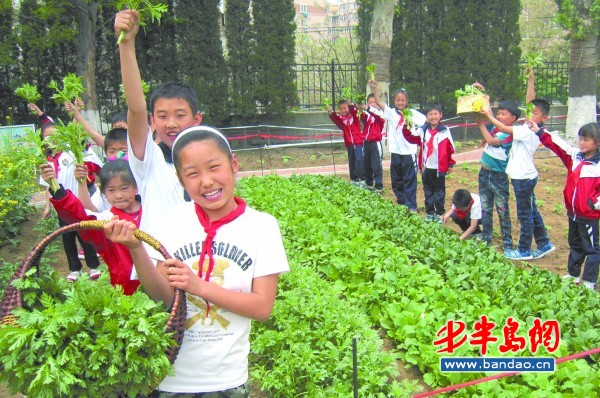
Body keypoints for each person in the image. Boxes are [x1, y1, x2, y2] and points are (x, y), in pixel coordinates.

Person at [104, 126, 289, 396]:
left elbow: (262, 308)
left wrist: (198, 286)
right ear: (180, 180)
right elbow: (162, 298)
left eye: (214, 167)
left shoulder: (262, 226)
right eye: (192, 174)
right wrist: (136, 249)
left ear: (233, 164)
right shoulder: (173, 219)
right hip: (169, 376)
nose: (206, 181)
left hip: (225, 380)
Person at [115, 9, 202, 231]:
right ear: (152, 120)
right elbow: (135, 108)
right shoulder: (149, 160)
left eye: (180, 115)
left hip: (193, 262)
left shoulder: (207, 162)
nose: (171, 123)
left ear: (196, 119)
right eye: (162, 116)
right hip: (155, 262)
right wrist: (126, 43)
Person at [40, 160, 142, 295]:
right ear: (104, 193)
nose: (118, 195)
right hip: (127, 293)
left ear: (136, 187)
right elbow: (81, 218)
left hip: (163, 286)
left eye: (124, 188)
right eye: (111, 190)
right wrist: (57, 189)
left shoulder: (153, 212)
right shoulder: (107, 221)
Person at [481, 99, 555, 260]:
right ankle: (543, 243)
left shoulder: (527, 131)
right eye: (530, 112)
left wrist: (487, 114)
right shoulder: (530, 128)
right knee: (532, 211)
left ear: (544, 118)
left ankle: (524, 250)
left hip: (523, 178)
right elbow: (530, 99)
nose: (530, 115)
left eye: (535, 113)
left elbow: (501, 127)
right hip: (523, 177)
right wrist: (530, 78)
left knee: (525, 215)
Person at [531, 122, 600, 290]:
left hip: (589, 216)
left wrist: (594, 203)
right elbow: (558, 145)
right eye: (580, 139)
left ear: (597, 142)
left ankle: (589, 282)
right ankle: (574, 275)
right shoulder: (575, 157)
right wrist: (540, 131)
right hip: (573, 213)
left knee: (591, 249)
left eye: (586, 139)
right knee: (575, 244)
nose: (581, 142)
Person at [39, 120, 104, 281]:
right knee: (67, 238)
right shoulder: (46, 160)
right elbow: (48, 187)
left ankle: (93, 266)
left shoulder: (72, 152)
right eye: (46, 137)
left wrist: (75, 113)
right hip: (61, 206)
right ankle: (75, 268)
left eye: (54, 136)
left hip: (77, 203)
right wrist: (48, 206)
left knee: (85, 235)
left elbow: (75, 131)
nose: (50, 141)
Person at [368, 79, 426, 211]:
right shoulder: (391, 113)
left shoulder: (412, 113)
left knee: (410, 179)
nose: (400, 103)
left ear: (406, 101)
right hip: (395, 152)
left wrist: (418, 134)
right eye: (398, 100)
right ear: (395, 101)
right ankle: (401, 202)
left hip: (408, 152)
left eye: (403, 100)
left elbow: (426, 121)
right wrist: (375, 89)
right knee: (397, 179)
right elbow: (378, 103)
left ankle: (411, 205)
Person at [475, 98, 519, 252]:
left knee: (502, 209)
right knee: (485, 207)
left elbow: (491, 141)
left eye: (503, 114)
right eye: (498, 114)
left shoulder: (508, 134)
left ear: (513, 118)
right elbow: (490, 115)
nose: (499, 116)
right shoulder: (497, 128)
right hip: (484, 173)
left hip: (498, 177)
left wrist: (481, 124)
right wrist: (482, 95)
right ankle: (486, 236)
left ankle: (507, 241)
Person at [403, 103, 455, 222]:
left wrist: (450, 163)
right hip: (427, 167)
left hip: (439, 167)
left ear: (440, 115)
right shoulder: (422, 130)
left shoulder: (444, 131)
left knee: (439, 191)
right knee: (428, 190)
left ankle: (440, 213)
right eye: (430, 114)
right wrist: (405, 126)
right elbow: (411, 137)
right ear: (426, 116)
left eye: (435, 114)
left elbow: (450, 148)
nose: (433, 117)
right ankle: (430, 212)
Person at [327, 99, 365, 187]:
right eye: (341, 109)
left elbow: (355, 111)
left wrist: (351, 105)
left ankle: (363, 179)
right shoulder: (342, 121)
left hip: (358, 142)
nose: (343, 111)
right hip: (349, 144)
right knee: (352, 162)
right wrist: (331, 112)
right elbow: (335, 119)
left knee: (359, 160)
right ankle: (354, 179)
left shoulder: (354, 117)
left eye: (345, 108)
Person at [359, 94, 385, 193]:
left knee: (376, 165)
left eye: (374, 102)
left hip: (375, 143)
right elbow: (361, 116)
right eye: (370, 102)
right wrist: (359, 107)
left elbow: (376, 115)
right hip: (366, 142)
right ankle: (369, 183)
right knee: (367, 164)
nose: (372, 104)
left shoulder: (380, 115)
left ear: (378, 104)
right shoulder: (367, 115)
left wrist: (367, 108)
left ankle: (379, 186)